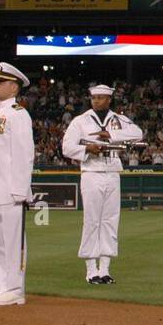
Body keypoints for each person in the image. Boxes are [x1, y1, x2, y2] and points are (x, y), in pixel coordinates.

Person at [61, 83, 142, 285]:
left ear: (109, 99)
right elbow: (67, 147)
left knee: (110, 220)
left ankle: (105, 269)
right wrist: (88, 149)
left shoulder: (119, 119)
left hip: (113, 172)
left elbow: (138, 134)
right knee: (92, 220)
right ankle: (91, 270)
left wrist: (112, 135)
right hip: (91, 172)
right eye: (94, 97)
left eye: (100, 97)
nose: (96, 100)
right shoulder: (81, 121)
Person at [0, 63, 35, 306]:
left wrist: (20, 191)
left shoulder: (18, 114)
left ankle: (14, 289)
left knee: (13, 243)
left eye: (0, 82)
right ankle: (1, 287)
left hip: (10, 190)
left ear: (13, 86)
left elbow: (24, 155)